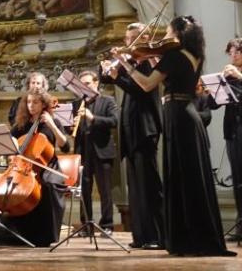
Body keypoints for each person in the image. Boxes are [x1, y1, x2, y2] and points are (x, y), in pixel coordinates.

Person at [116, 16, 235, 256]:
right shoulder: (193, 55)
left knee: (180, 176)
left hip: (177, 116)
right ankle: (199, 236)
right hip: (187, 114)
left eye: (169, 32)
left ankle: (185, 238)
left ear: (178, 34)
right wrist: (154, 57)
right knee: (193, 178)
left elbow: (148, 84)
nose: (165, 37)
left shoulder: (173, 56)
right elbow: (174, 73)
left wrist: (126, 65)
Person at [101, 23, 163, 249]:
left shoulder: (148, 63)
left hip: (145, 129)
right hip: (132, 132)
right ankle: (142, 236)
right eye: (127, 39)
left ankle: (156, 236)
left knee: (149, 186)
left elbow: (140, 90)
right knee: (136, 189)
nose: (128, 44)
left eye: (132, 39)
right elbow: (105, 79)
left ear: (144, 38)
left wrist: (120, 74)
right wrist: (108, 69)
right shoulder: (134, 64)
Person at [0, 90, 68, 247]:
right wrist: (13, 143)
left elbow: (65, 145)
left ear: (43, 104)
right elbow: (10, 137)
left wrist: (51, 124)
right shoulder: (22, 123)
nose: (31, 106)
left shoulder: (53, 122)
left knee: (48, 188)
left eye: (35, 102)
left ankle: (43, 237)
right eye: (29, 102)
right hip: (23, 168)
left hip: (48, 167)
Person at [73, 70, 118, 234]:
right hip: (84, 151)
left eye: (88, 84)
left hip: (102, 151)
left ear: (96, 83)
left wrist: (93, 118)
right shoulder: (77, 103)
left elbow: (114, 121)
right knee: (84, 190)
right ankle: (86, 225)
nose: (85, 87)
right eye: (82, 85)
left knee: (105, 190)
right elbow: (73, 128)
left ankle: (107, 225)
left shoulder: (108, 100)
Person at [209, 38, 242, 240]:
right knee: (237, 180)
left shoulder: (237, 75)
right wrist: (216, 86)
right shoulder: (229, 78)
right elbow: (214, 105)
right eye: (230, 52)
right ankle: (240, 226)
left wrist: (239, 75)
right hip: (232, 130)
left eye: (237, 51)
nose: (233, 55)